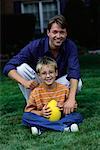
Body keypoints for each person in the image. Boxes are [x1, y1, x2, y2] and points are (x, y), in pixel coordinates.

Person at [3, 15, 82, 115]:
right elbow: (8, 67)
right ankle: (33, 106)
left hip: (57, 81)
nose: (58, 36)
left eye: (62, 32)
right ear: (48, 33)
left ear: (66, 33)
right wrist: (25, 82)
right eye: (55, 32)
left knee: (77, 82)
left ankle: (63, 104)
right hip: (39, 81)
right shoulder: (35, 46)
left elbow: (74, 72)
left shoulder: (70, 46)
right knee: (21, 69)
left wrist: (71, 99)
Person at [22, 56, 83, 135]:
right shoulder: (36, 92)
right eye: (44, 73)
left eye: (51, 72)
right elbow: (29, 110)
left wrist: (64, 106)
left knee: (77, 116)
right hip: (43, 118)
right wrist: (41, 113)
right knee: (25, 117)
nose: (48, 76)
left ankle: (41, 128)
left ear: (56, 73)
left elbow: (73, 107)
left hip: (62, 117)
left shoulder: (64, 89)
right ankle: (64, 128)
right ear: (39, 75)